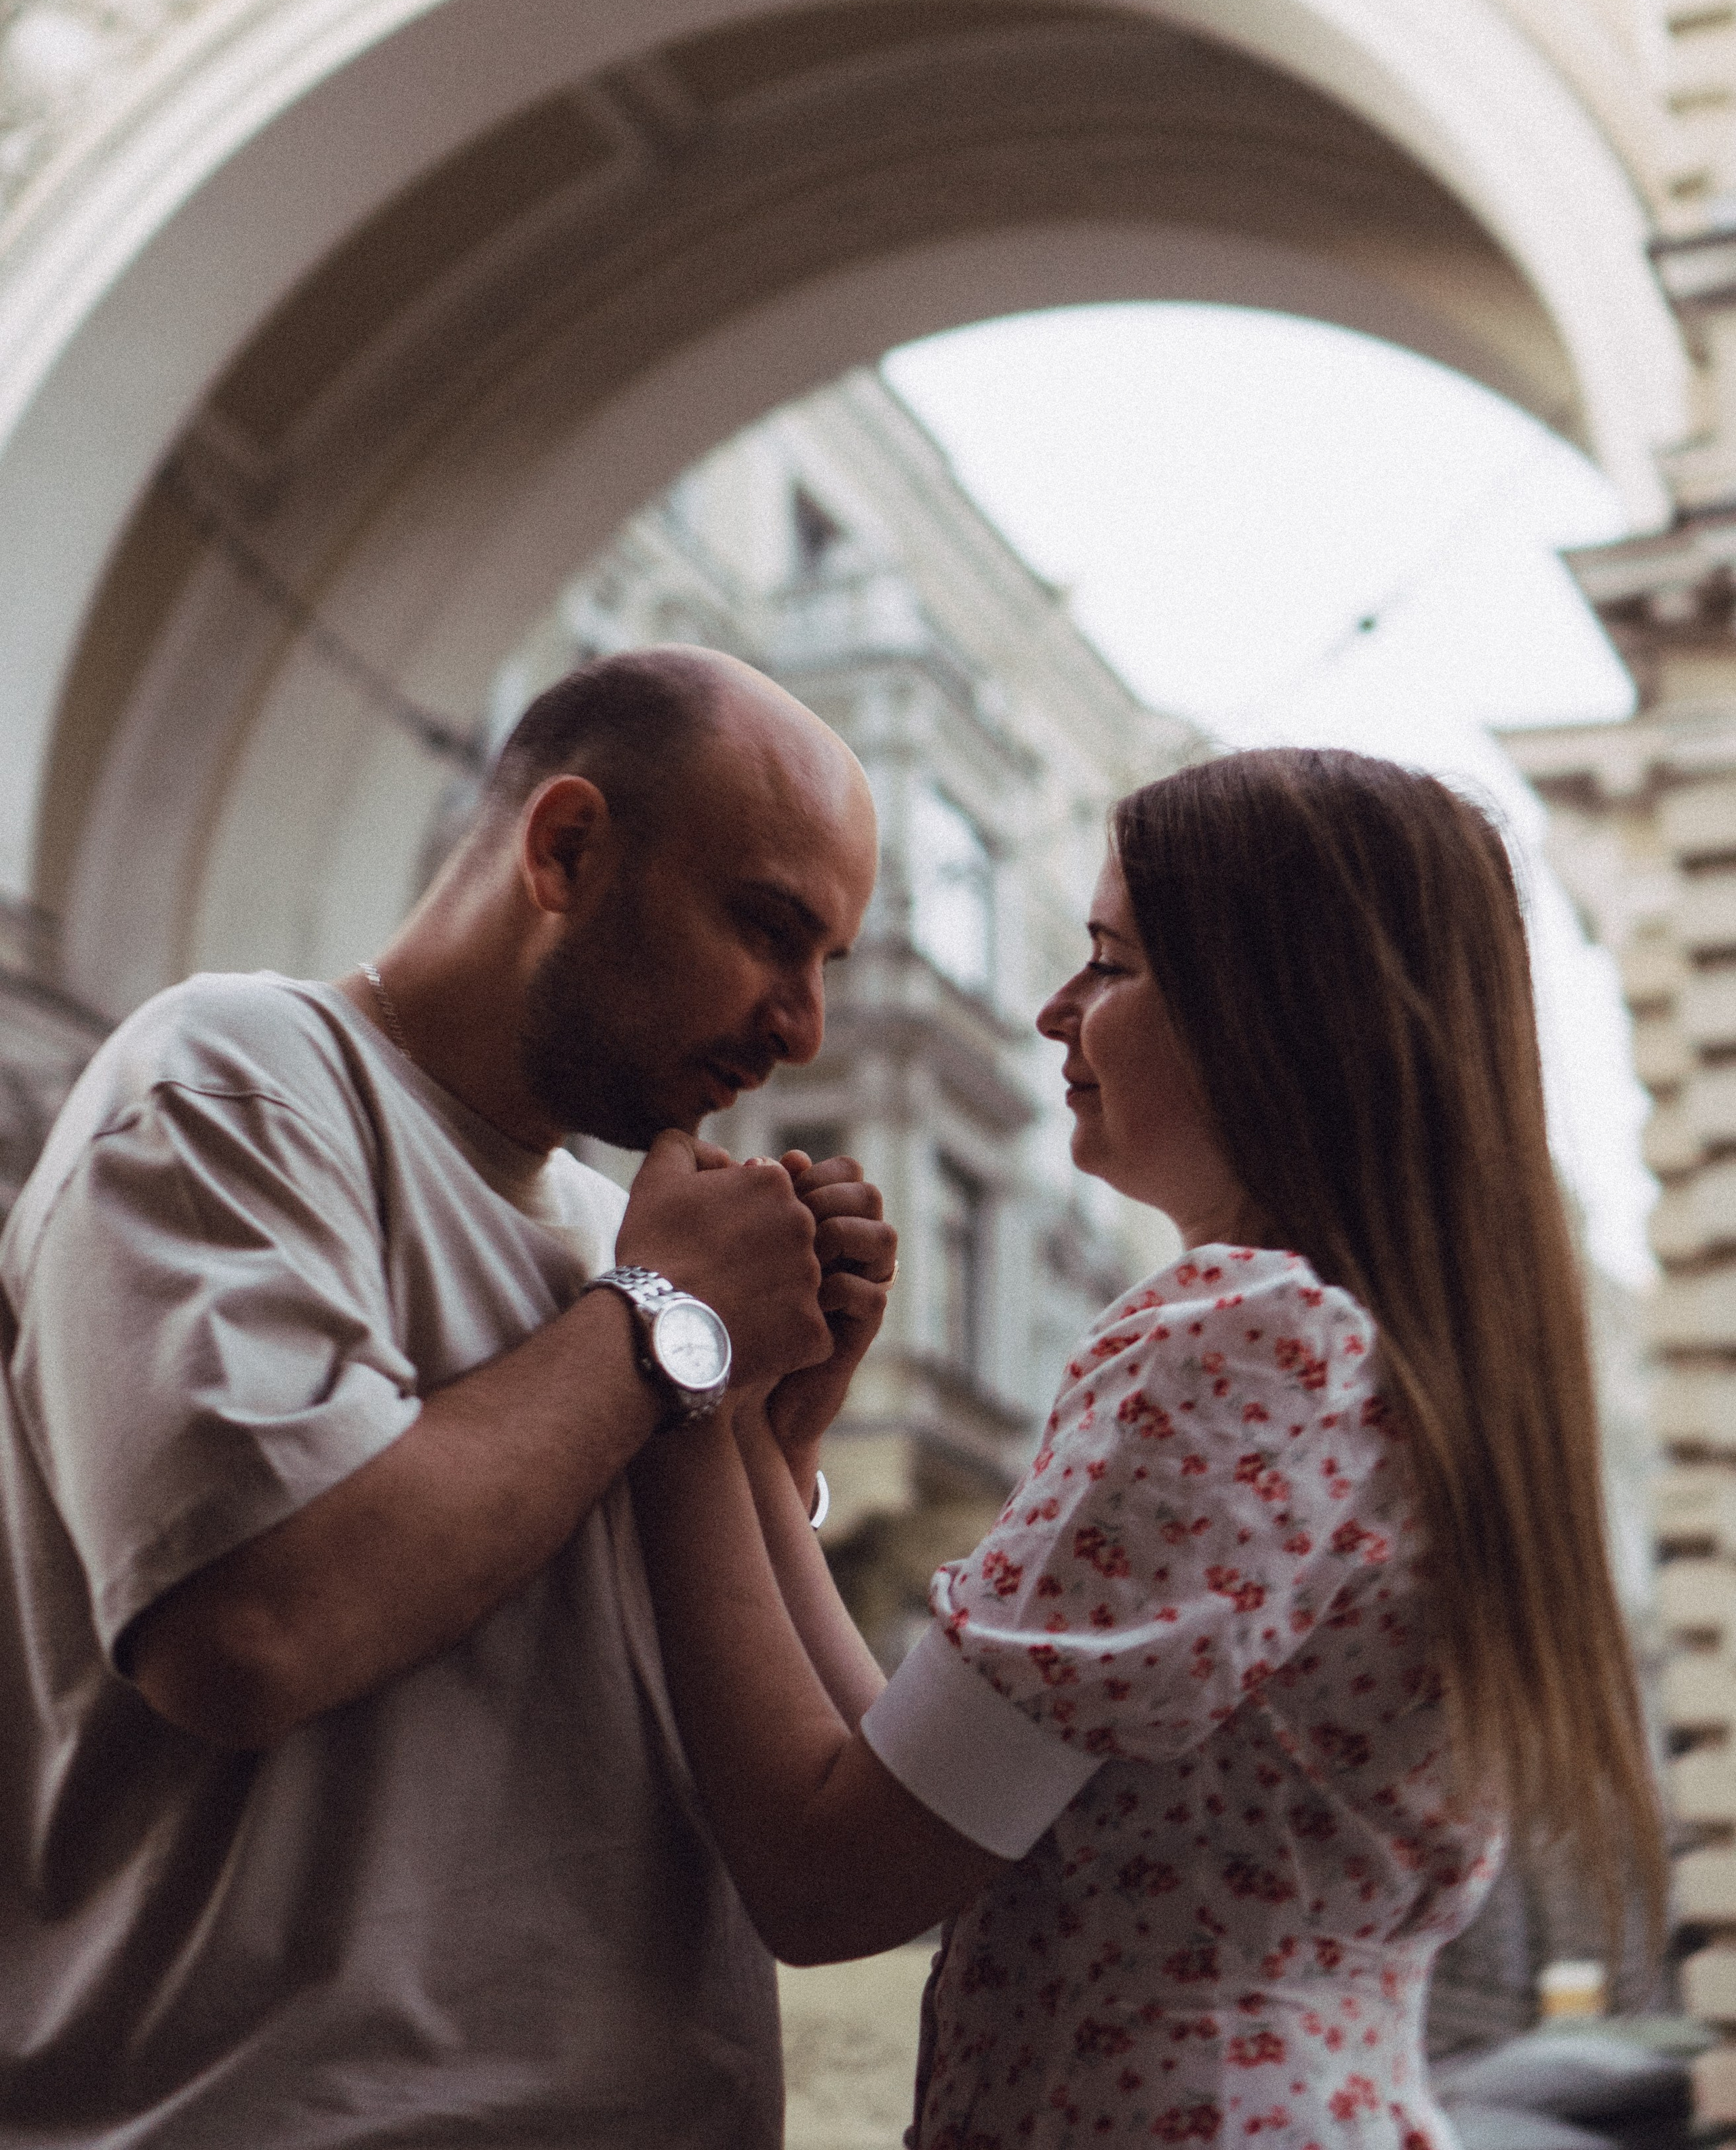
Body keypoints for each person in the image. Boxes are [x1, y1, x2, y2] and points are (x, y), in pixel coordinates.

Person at [631, 747, 1666, 2150]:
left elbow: (827, 1881)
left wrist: (670, 1340)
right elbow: (912, 1779)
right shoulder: (1385, 1357)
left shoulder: (1246, 1338)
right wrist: (756, 1431)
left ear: (1281, 1011)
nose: (1054, 1011)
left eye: (1112, 965)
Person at [0, 646, 897, 2148]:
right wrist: (666, 1325)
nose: (799, 1024)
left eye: (827, 965)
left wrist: (763, 1428)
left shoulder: (635, 1246)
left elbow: (809, 1842)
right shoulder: (234, 1076)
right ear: (566, 849)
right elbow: (253, 1632)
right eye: (765, 928)